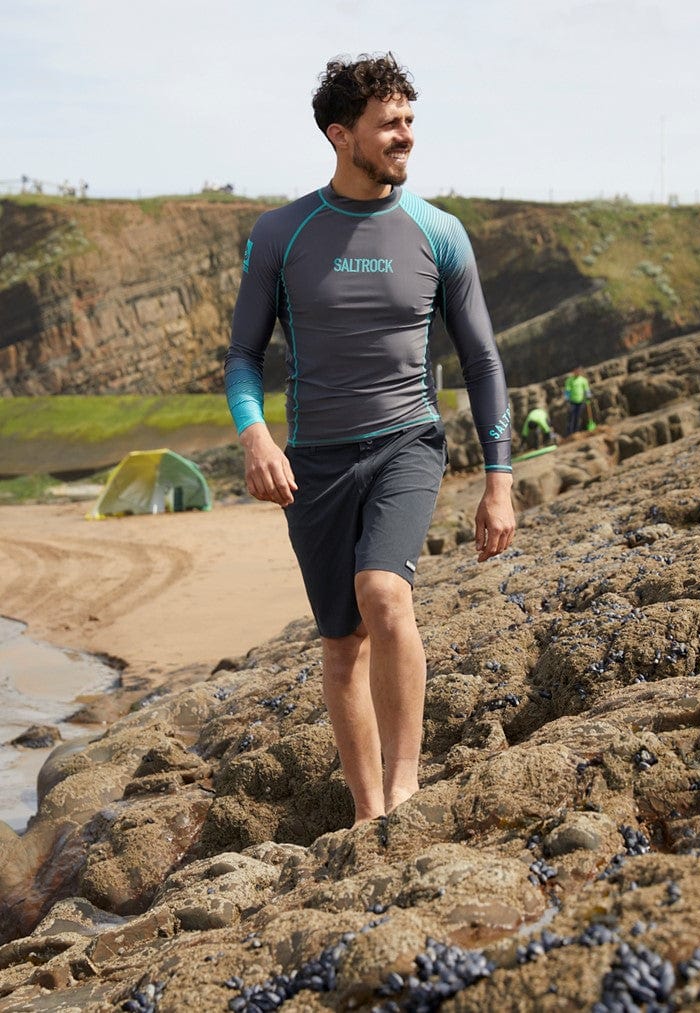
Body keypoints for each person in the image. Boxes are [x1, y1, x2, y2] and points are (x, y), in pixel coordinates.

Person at [224, 53, 515, 828]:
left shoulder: (438, 232)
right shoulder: (282, 232)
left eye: (411, 121)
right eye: (390, 124)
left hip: (405, 442)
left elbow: (481, 358)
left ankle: (407, 783)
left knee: (384, 594)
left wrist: (500, 480)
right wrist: (256, 436)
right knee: (340, 640)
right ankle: (367, 810)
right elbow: (244, 356)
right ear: (340, 134)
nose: (406, 137)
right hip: (313, 459)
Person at [564, 366, 591, 435]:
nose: (578, 372)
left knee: (578, 417)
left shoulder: (583, 380)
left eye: (579, 371)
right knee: (571, 417)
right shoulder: (569, 380)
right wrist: (567, 399)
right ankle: (569, 433)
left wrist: (588, 396)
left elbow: (586, 389)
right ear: (573, 371)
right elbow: (567, 391)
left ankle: (576, 432)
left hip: (581, 401)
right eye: (576, 371)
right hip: (572, 402)